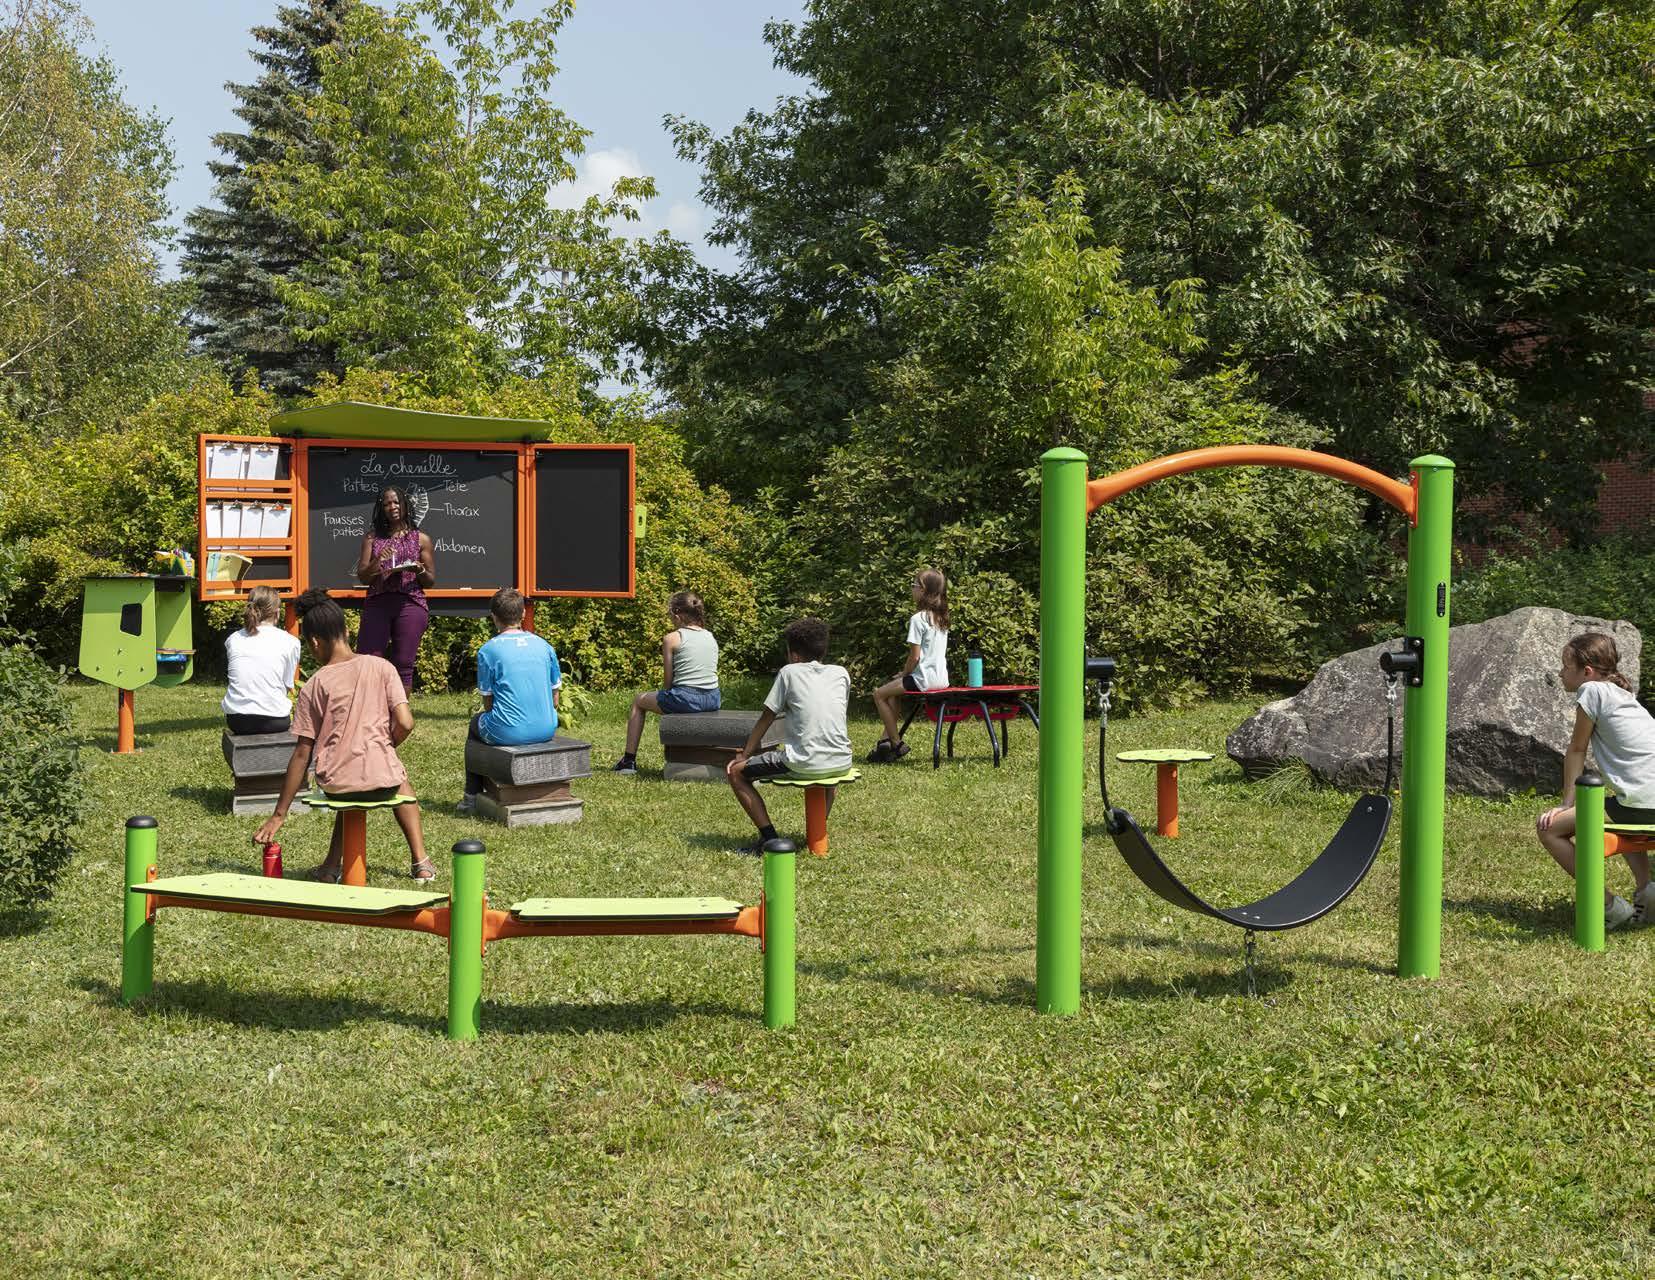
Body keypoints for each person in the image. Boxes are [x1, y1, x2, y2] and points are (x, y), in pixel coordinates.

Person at [253, 588, 434, 883]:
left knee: (350, 782)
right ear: (347, 631)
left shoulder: (315, 684)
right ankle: (421, 861)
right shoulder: (383, 667)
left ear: (314, 642)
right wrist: (387, 746)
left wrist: (279, 814)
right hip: (383, 779)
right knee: (398, 778)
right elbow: (406, 722)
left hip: (337, 783)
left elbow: (302, 753)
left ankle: (330, 868)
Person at [1535, 632, 1655, 930]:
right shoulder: (1624, 697)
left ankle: (1609, 906)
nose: (1560, 673)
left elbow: (1577, 749)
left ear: (1587, 671)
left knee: (1549, 829)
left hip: (1642, 808)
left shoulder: (1591, 690)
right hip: (1645, 806)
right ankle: (1647, 889)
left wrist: (1566, 804)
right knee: (1621, 807)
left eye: (1565, 666)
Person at [726, 617, 851, 855]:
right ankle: (815, 833)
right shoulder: (841, 673)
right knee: (829, 776)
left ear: (793, 655)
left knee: (736, 773)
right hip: (841, 760)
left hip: (803, 761)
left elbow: (767, 718)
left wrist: (745, 754)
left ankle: (769, 840)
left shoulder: (789, 672)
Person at [457, 587, 563, 813]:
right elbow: (555, 700)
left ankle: (470, 797)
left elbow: (488, 705)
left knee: (475, 725)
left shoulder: (488, 651)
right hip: (546, 728)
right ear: (523, 613)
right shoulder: (545, 646)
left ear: (493, 616)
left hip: (507, 731)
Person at [612, 590, 721, 774]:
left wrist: (666, 695)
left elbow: (668, 681)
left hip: (686, 698)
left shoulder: (672, 638)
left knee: (639, 701)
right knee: (671, 698)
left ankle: (628, 761)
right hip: (713, 698)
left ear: (677, 615)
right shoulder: (710, 636)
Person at [355, 484, 435, 694]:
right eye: (387, 504)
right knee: (369, 661)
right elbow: (363, 577)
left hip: (410, 602)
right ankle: (371, 709)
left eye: (396, 502)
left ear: (405, 504)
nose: (392, 507)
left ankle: (399, 713)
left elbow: (430, 581)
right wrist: (377, 561)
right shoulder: (372, 538)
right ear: (381, 509)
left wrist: (418, 570)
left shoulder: (421, 539)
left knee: (403, 665)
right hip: (378, 602)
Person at [868, 568, 950, 763]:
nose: (912, 589)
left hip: (924, 679)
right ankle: (885, 741)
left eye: (914, 585)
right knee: (892, 694)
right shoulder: (941, 618)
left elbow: (914, 658)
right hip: (941, 679)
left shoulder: (917, 619)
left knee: (878, 694)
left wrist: (904, 674)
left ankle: (897, 744)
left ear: (925, 591)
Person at [222, 585, 300, 735]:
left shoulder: (233, 639)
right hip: (276, 720)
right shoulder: (291, 642)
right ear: (277, 612)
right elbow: (287, 684)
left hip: (237, 720)